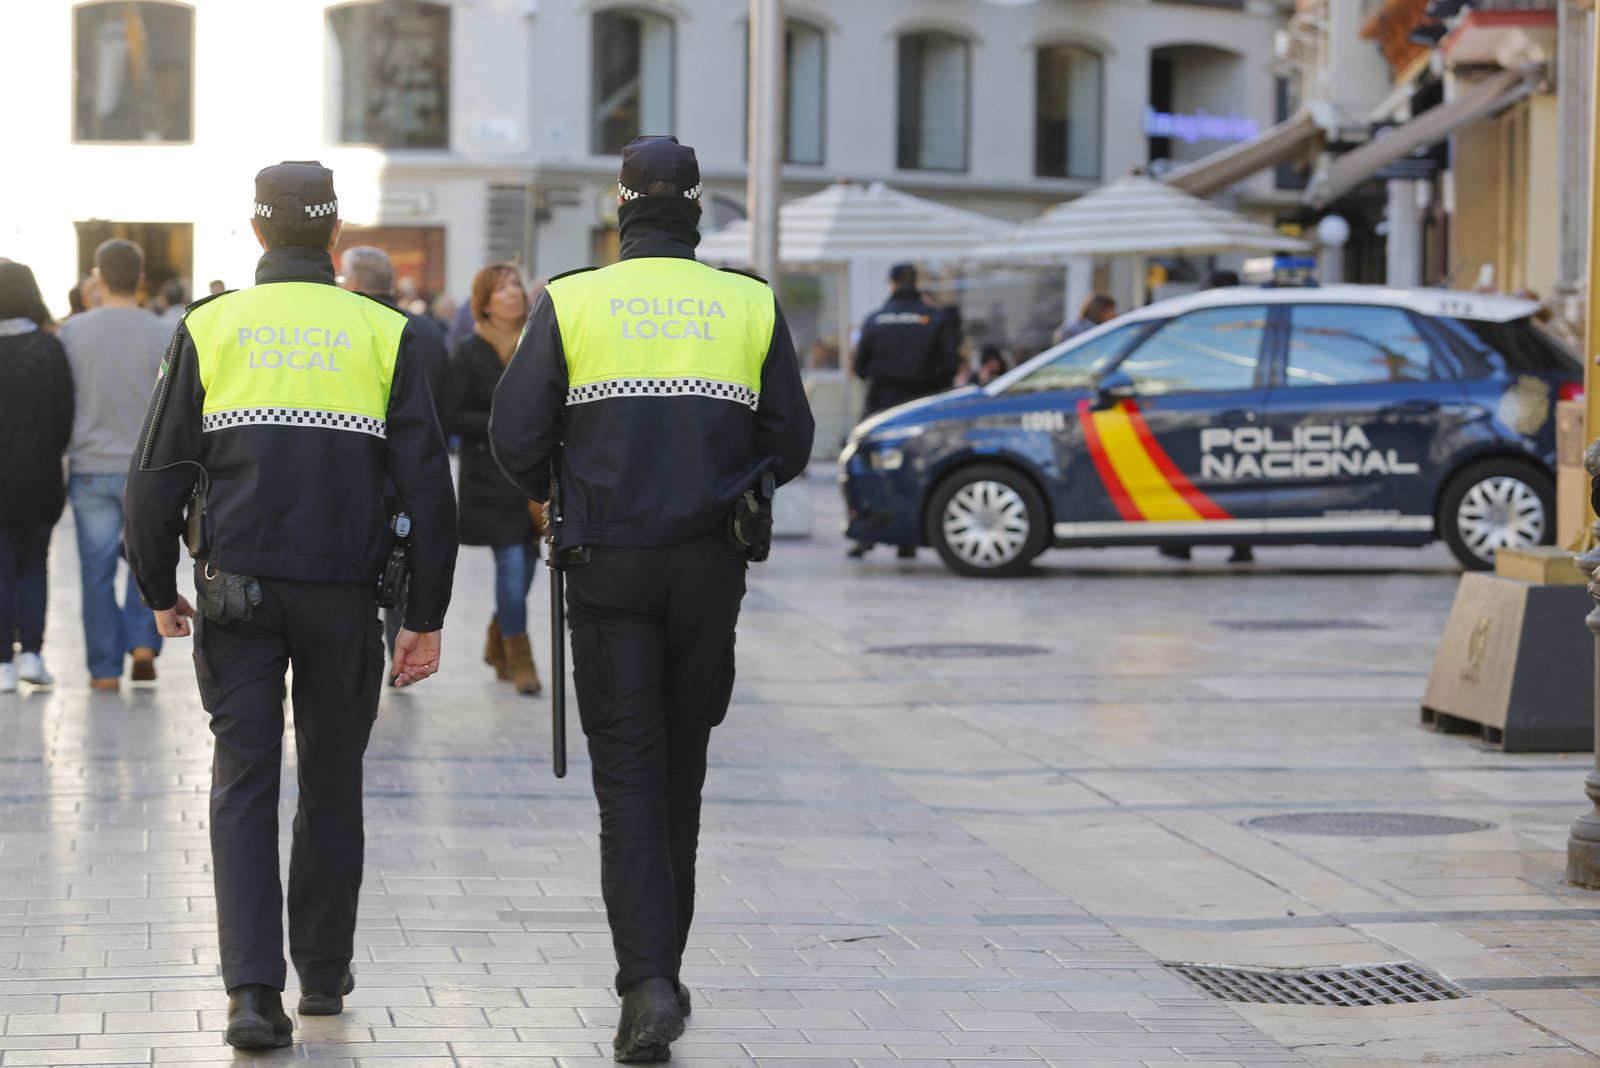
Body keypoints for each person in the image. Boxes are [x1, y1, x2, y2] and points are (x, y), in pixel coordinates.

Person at [489, 135, 814, 1063]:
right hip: (711, 563)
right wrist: (731, 475)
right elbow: (791, 439)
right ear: (698, 209)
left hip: (606, 562)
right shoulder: (748, 302)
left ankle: (648, 985)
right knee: (683, 770)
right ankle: (662, 970)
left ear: (619, 210)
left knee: (626, 776)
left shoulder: (573, 298)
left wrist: (564, 483)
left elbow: (514, 433)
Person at [123, 161, 458, 1051]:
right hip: (347, 595)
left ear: (259, 232)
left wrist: (158, 588)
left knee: (244, 779)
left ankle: (250, 993)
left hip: (237, 591)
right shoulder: (385, 331)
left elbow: (154, 475)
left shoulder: (213, 324)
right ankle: (321, 972)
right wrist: (426, 612)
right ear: (335, 234)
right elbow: (429, 485)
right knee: (333, 779)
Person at [58, 239, 172, 689]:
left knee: (96, 570)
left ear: (98, 277)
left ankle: (104, 669)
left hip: (89, 463)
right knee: (145, 562)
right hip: (145, 466)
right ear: (141, 278)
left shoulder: (74, 331)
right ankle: (144, 643)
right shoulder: (165, 330)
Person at [340, 246, 452, 672]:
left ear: (353, 281)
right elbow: (445, 398)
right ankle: (396, 652)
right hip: (416, 472)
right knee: (404, 565)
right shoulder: (426, 329)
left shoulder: (355, 326)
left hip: (363, 474)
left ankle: (370, 650)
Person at [443, 263, 543, 696]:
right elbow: (452, 414)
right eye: (501, 289)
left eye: (516, 286)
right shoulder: (469, 350)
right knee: (513, 564)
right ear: (484, 302)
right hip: (489, 474)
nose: (513, 294)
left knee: (529, 566)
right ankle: (522, 659)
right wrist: (505, 422)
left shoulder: (538, 342)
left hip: (535, 477)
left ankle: (497, 636)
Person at [848, 263, 959, 560]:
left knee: (868, 467)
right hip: (920, 404)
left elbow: (859, 368)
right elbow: (949, 364)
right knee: (915, 467)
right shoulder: (934, 319)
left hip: (880, 404)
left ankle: (863, 534)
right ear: (915, 283)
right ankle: (906, 539)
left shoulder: (874, 320)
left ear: (892, 284)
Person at [0, 264, 74, 693]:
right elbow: (65, 414)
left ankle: (2, 664)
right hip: (39, 474)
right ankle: (31, 652)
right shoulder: (48, 349)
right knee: (33, 566)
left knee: (3, 566)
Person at [1160, 270, 1252, 565]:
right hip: (1234, 411)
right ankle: (1240, 545)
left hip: (1211, 412)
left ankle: (1185, 542)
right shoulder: (1247, 321)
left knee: (1197, 478)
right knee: (1234, 478)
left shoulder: (1213, 322)